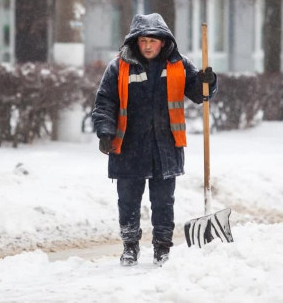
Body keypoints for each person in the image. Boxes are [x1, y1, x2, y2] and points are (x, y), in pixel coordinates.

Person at [92, 13, 217, 266]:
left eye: (153, 41)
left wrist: (208, 82)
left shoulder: (178, 65)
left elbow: (198, 93)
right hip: (128, 146)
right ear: (135, 42)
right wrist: (105, 131)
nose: (147, 46)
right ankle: (130, 246)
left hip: (165, 146)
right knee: (128, 201)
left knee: (163, 202)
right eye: (143, 41)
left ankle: (162, 247)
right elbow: (104, 102)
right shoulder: (118, 67)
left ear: (163, 42)